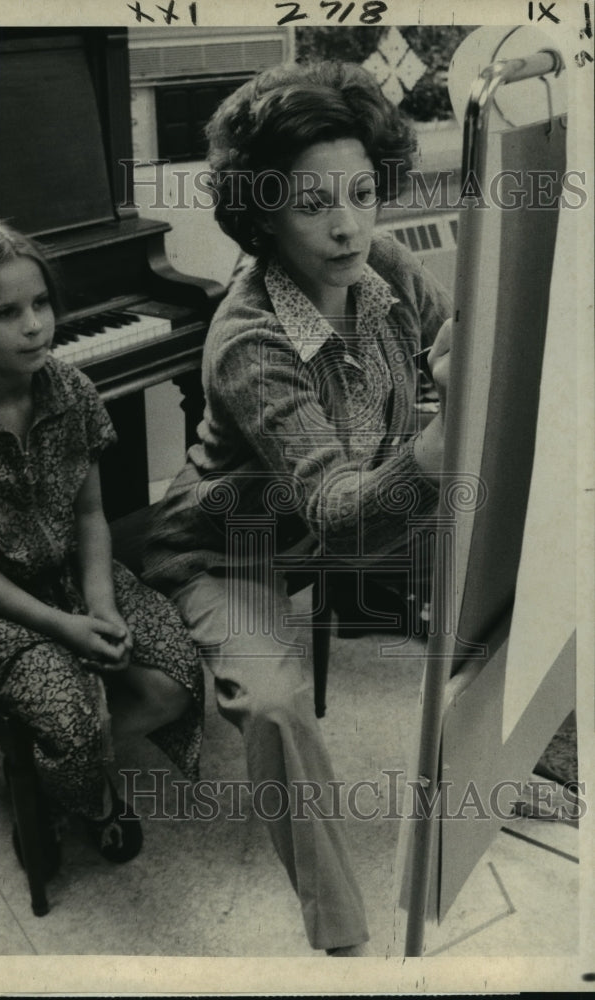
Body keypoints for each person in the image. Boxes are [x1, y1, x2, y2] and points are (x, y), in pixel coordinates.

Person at [141, 60, 452, 954]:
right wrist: (436, 446)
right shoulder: (247, 338)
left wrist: (467, 356)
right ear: (262, 212)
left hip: (340, 519)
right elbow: (336, 511)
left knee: (504, 551)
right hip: (228, 547)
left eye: (362, 192)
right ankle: (344, 938)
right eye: (315, 202)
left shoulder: (376, 258)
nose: (348, 222)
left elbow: (453, 327)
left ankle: (526, 769)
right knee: (277, 706)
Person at [0, 216, 204, 867]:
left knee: (177, 676)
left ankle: (52, 760)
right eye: (7, 313)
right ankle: (86, 790)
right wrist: (61, 628)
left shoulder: (70, 389)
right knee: (72, 720)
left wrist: (100, 605)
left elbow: (90, 513)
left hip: (71, 574)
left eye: (41, 304)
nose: (35, 325)